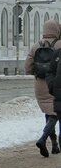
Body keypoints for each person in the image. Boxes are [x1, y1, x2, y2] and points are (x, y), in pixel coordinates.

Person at [24, 20, 61, 157]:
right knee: (55, 112)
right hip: (57, 84)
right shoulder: (59, 45)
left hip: (40, 84)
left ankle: (55, 144)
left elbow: (27, 68)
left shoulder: (36, 46)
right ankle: (43, 138)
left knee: (49, 112)